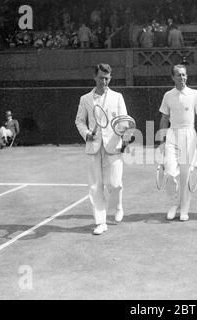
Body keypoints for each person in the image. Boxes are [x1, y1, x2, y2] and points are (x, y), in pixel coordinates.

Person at [75, 63, 129, 235]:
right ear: (95, 77)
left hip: (113, 145)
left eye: (107, 78)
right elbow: (79, 121)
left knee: (115, 184)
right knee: (95, 186)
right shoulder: (85, 99)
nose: (104, 81)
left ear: (110, 78)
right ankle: (100, 222)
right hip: (93, 147)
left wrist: (123, 130)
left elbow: (124, 120)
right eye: (100, 78)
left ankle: (118, 206)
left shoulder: (118, 97)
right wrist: (86, 133)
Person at [158, 64, 197, 221]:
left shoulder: (194, 94)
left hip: (190, 135)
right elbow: (164, 118)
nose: (182, 77)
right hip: (172, 134)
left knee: (185, 176)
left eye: (184, 74)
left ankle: (184, 209)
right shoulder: (168, 95)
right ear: (173, 77)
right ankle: (174, 204)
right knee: (171, 173)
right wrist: (162, 140)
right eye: (178, 75)